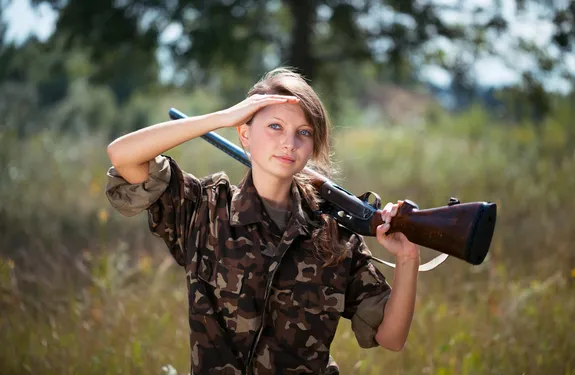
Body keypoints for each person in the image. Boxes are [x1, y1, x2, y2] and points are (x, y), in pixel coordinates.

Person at [105, 68, 419, 375]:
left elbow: (391, 338)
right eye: (275, 127)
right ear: (245, 133)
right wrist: (224, 118)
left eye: (304, 133)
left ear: (312, 146)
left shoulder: (335, 236)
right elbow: (123, 155)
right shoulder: (205, 209)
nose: (289, 143)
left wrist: (407, 259)